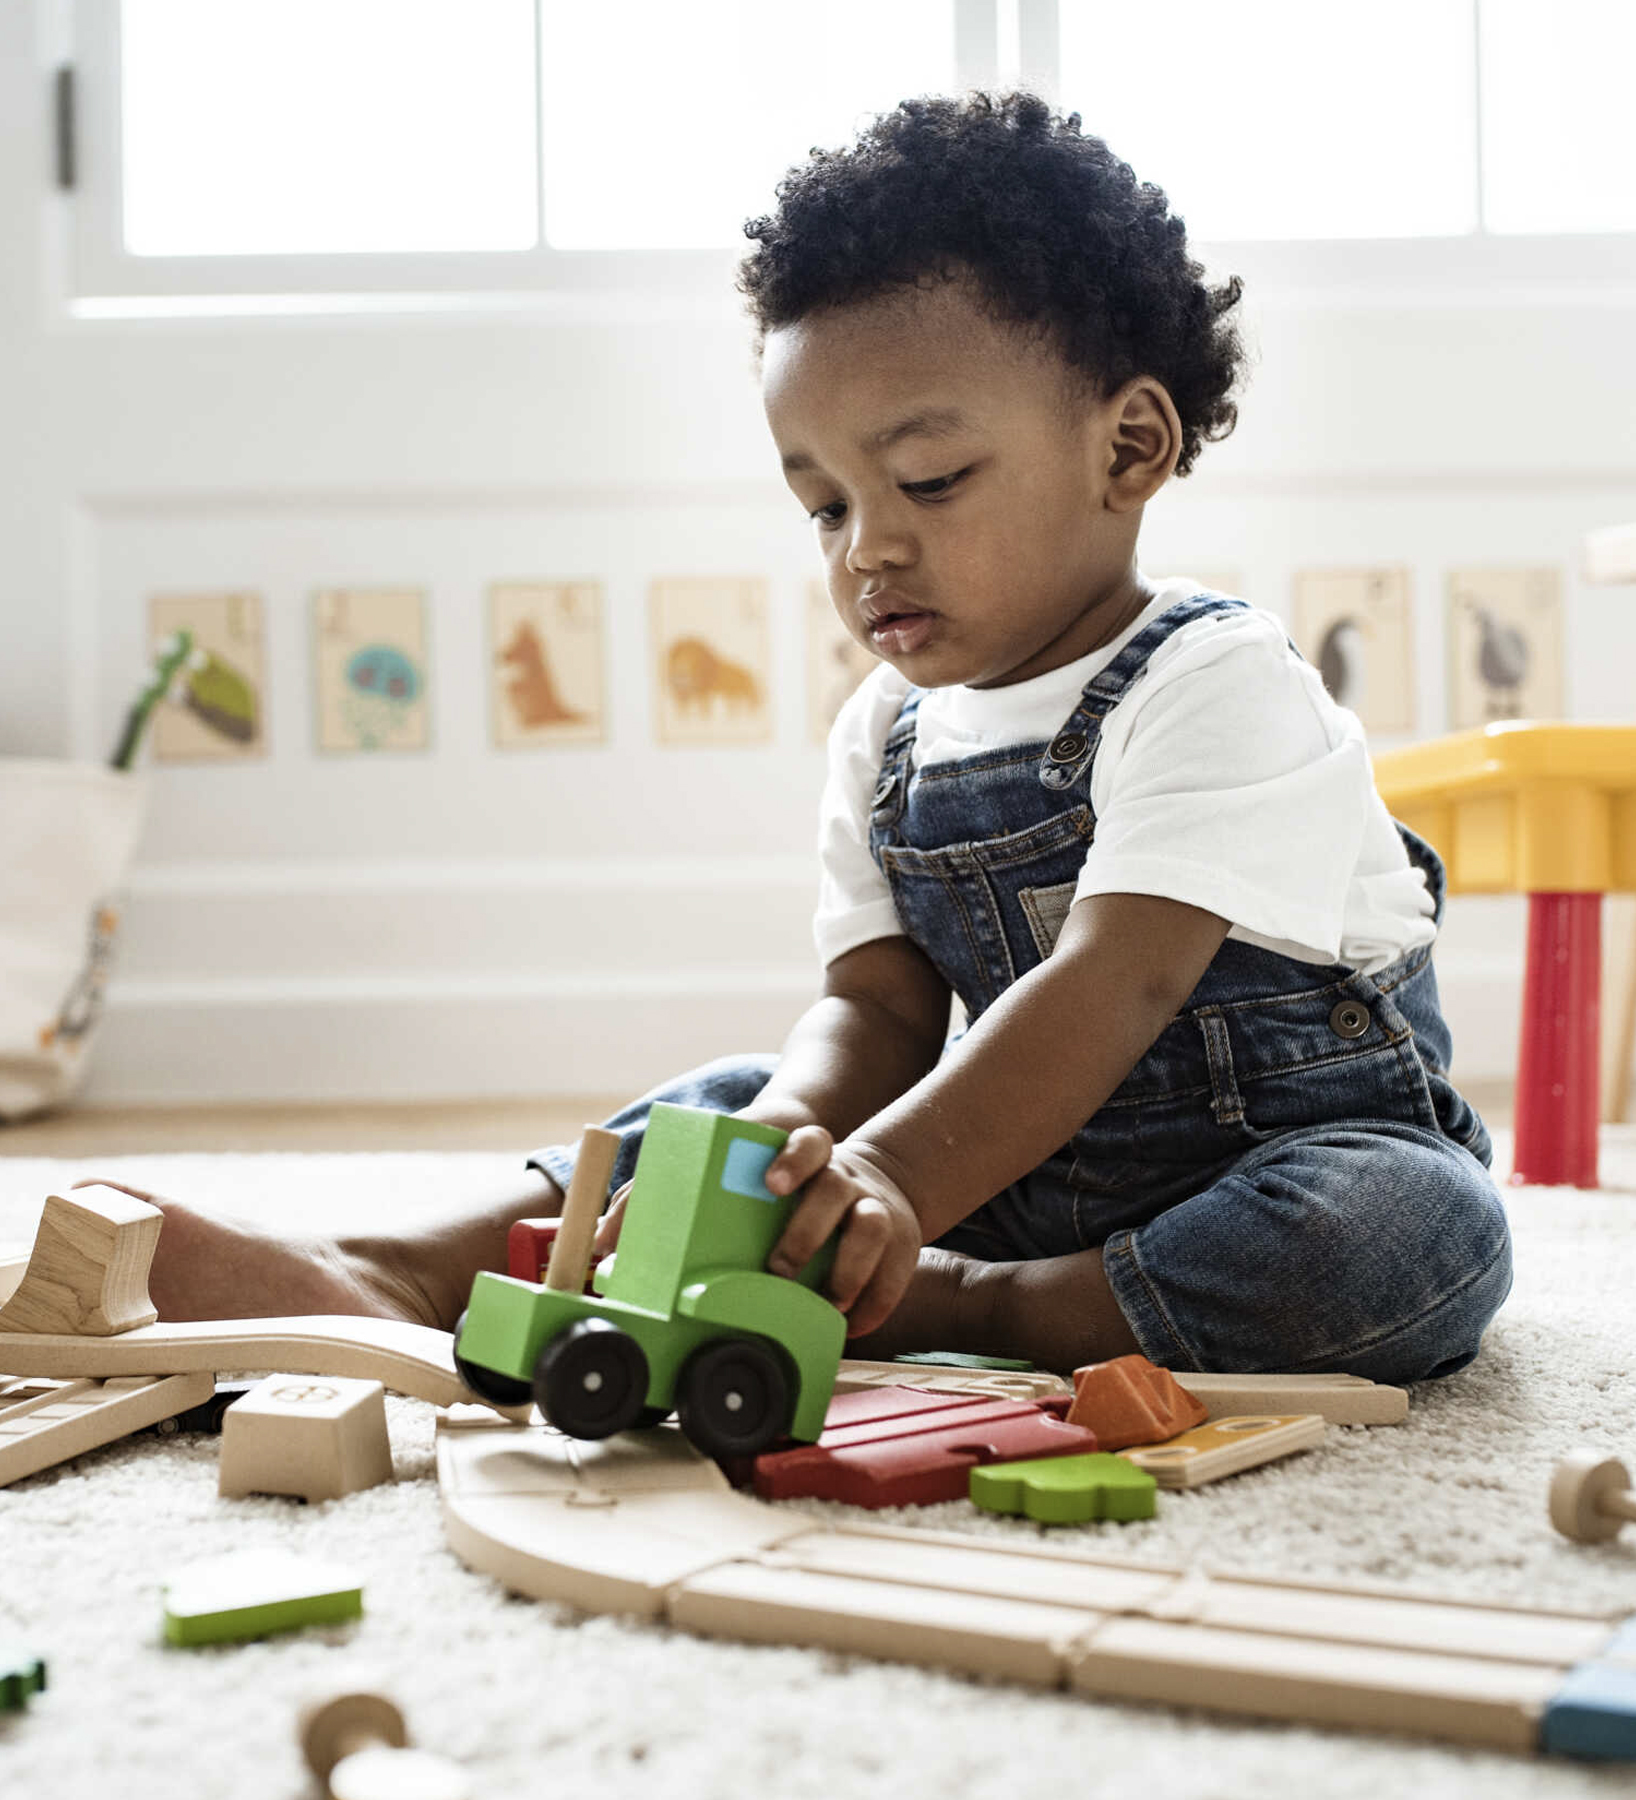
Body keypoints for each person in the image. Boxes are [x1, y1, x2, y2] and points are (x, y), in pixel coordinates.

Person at [88, 93, 1511, 1381]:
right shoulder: (886, 730)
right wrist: (786, 1149)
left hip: (1274, 1160)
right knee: (718, 1111)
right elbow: (879, 1013)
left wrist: (886, 1191)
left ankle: (965, 1310)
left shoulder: (1217, 682)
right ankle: (397, 1273)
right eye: (824, 506)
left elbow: (1112, 988)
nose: (867, 550)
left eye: (931, 480)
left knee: (1404, 1240)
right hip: (998, 1164)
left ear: (1128, 450)